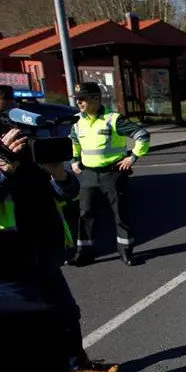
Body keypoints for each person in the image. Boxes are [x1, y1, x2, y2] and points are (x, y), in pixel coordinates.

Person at [0, 84, 119, 372]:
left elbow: (65, 193)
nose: (6, 123)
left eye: (10, 113)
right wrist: (2, 171)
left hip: (41, 248)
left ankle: (76, 366)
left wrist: (59, 173)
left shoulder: (24, 146)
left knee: (65, 313)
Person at [66, 82, 151, 267]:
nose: (79, 102)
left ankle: (126, 253)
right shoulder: (77, 121)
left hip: (112, 174)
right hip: (88, 175)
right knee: (85, 214)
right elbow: (74, 141)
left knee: (120, 214)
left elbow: (142, 135)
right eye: (77, 99)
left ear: (96, 98)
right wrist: (74, 160)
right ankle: (84, 254)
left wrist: (133, 157)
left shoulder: (113, 119)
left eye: (83, 99)